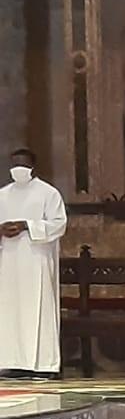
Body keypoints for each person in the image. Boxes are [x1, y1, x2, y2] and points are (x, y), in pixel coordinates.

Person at [0, 148, 68, 379]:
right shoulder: (3, 195)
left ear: (33, 166)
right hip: (8, 262)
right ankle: (11, 361)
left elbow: (59, 224)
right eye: (15, 163)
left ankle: (43, 364)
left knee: (38, 309)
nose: (18, 168)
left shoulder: (48, 194)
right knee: (9, 311)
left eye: (23, 163)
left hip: (36, 260)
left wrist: (27, 225)